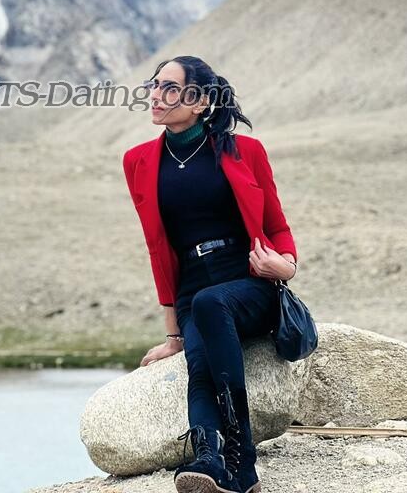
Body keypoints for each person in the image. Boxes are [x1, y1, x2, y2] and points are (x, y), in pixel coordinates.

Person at [122, 56, 298, 493]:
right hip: (192, 288)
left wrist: (286, 265)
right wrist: (173, 336)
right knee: (199, 363)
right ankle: (209, 458)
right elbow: (158, 250)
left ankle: (242, 460)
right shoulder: (138, 161)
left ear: (200, 101)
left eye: (169, 88)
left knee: (210, 303)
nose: (156, 96)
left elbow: (276, 226)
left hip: (249, 282)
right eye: (153, 85)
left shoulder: (245, 151)